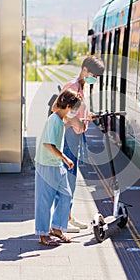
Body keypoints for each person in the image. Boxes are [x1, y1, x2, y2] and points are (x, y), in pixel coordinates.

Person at [52, 55, 105, 233]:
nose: (95, 79)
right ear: (84, 70)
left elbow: (74, 112)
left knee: (71, 178)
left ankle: (66, 217)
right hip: (68, 137)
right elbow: (56, 110)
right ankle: (60, 222)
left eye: (97, 77)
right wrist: (74, 122)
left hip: (75, 137)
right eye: (93, 75)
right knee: (67, 178)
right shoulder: (72, 86)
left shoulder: (81, 86)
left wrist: (85, 117)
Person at [35, 88, 83, 246]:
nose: (75, 113)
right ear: (68, 107)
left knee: (66, 195)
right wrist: (65, 157)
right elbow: (48, 144)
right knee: (45, 200)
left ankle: (57, 228)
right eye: (75, 109)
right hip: (47, 164)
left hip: (56, 164)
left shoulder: (60, 120)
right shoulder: (54, 120)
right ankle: (43, 235)